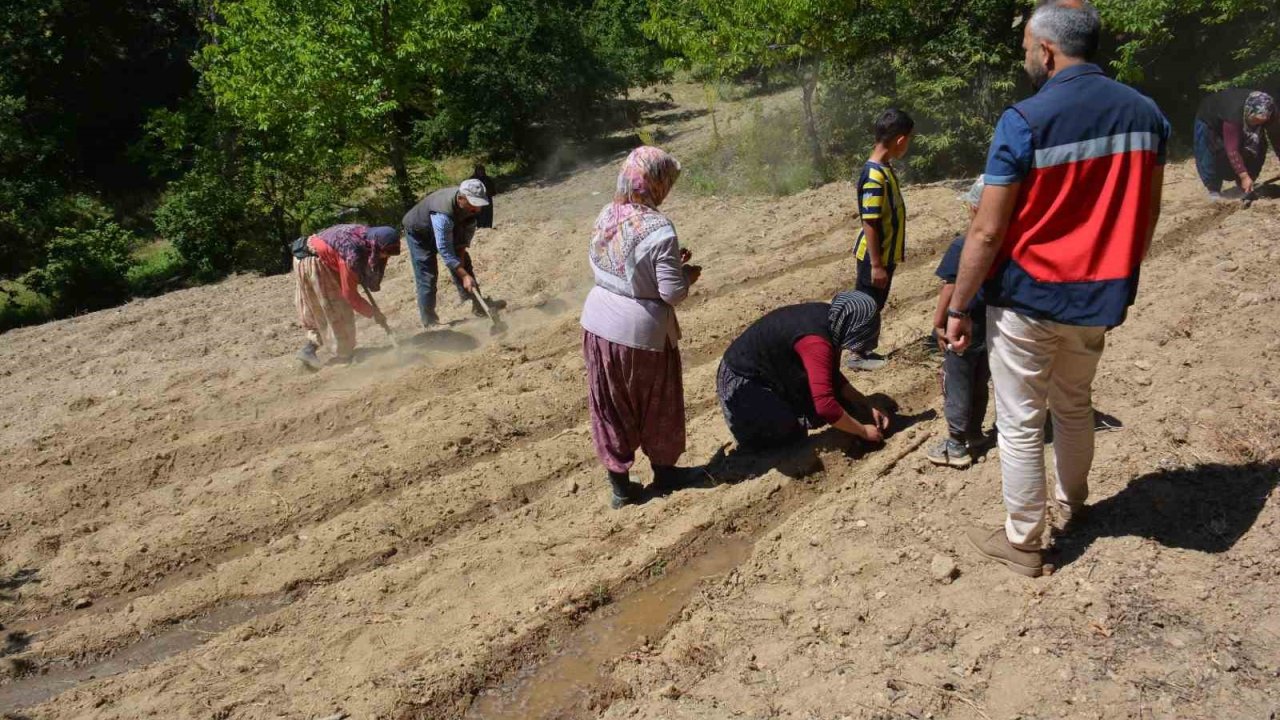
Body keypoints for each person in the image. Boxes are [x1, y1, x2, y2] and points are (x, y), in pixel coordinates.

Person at [945, 0, 1169, 577]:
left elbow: (988, 229)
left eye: (1025, 47)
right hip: (1099, 297)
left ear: (1046, 49)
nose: (1025, 57)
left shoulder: (1023, 120)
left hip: (1030, 298)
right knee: (1074, 404)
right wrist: (1121, 268)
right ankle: (1076, 503)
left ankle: (1025, 543)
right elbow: (1146, 215)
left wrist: (960, 303)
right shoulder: (1147, 115)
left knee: (1021, 420)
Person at [581, 146, 702, 510]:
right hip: (641, 334)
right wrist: (685, 276)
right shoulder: (659, 228)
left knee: (610, 405)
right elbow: (672, 294)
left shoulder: (606, 213)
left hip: (597, 324)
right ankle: (666, 474)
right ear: (656, 182)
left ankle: (620, 487)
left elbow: (611, 265)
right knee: (657, 404)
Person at [717, 291, 892, 450]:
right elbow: (825, 407)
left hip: (770, 369)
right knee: (789, 436)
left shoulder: (833, 318)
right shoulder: (816, 342)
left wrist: (865, 404)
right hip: (742, 381)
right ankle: (753, 434)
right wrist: (863, 431)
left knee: (840, 403)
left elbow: (830, 374)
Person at [927, 178, 991, 469]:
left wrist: (940, 323)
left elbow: (950, 286)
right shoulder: (1005, 243)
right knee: (980, 382)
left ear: (975, 206)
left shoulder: (963, 244)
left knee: (957, 384)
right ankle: (976, 434)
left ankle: (955, 444)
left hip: (964, 327)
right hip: (990, 327)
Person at [848, 108, 915, 372]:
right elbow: (870, 221)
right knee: (868, 303)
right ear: (900, 140)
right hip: (876, 256)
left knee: (875, 302)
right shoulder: (875, 176)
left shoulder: (883, 168)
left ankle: (863, 349)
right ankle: (856, 353)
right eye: (908, 140)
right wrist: (876, 264)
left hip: (884, 255)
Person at [292, 224, 401, 370]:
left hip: (306, 257)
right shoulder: (352, 253)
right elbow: (350, 295)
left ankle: (309, 349)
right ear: (376, 246)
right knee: (338, 309)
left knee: (320, 310)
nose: (386, 256)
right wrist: (374, 313)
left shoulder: (364, 236)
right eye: (386, 252)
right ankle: (343, 356)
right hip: (314, 262)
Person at [401, 179, 503, 327]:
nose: (478, 209)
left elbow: (461, 244)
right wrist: (463, 275)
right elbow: (445, 251)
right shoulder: (443, 216)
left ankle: (479, 306)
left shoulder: (471, 209)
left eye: (479, 204)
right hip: (419, 233)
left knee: (464, 265)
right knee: (427, 276)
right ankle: (430, 322)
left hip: (448, 226)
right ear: (461, 198)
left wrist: (463, 269)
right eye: (473, 204)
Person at [1193, 89, 1279, 200]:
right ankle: (1213, 190)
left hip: (1240, 118)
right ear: (1249, 111)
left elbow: (1277, 139)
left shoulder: (1272, 112)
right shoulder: (1234, 113)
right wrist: (1243, 175)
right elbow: (1232, 149)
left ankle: (1244, 186)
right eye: (1256, 120)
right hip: (1210, 118)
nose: (1258, 124)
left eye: (1261, 122)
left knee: (1259, 145)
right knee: (1209, 151)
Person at [468, 164, 497, 229]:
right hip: (476, 202)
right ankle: (478, 228)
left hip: (487, 201)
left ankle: (488, 228)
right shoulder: (472, 180)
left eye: (482, 170)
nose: (480, 172)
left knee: (487, 216)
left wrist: (488, 193)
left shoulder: (487, 179)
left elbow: (493, 191)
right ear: (476, 171)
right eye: (479, 170)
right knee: (478, 216)